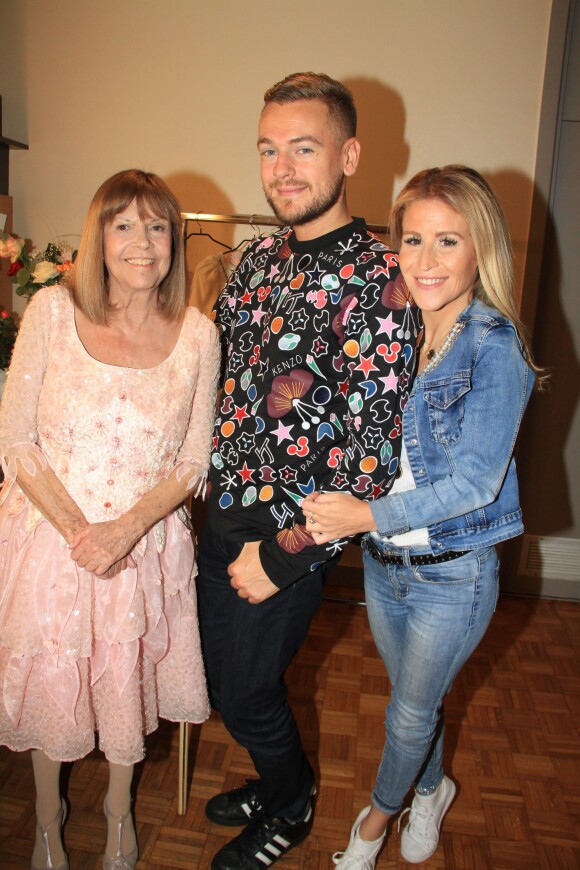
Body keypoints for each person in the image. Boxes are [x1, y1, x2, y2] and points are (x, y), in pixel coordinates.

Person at [197, 71, 420, 869]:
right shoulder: (254, 261)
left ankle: (291, 804)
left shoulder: (383, 280)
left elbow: (371, 459)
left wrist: (283, 553)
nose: (282, 168)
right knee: (223, 688)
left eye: (303, 147)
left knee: (253, 697)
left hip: (286, 538)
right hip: (216, 522)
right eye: (268, 149)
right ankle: (276, 780)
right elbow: (214, 387)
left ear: (349, 154)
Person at [302, 165, 542, 867]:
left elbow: (472, 482)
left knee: (406, 713)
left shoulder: (494, 348)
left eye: (447, 242)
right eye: (413, 240)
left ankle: (373, 824)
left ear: (480, 250)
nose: (426, 262)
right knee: (419, 700)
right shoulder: (393, 331)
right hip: (385, 567)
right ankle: (432, 789)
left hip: (453, 574)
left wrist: (365, 515)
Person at [0, 169, 220, 870]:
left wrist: (124, 530)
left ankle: (120, 813)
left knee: (124, 681)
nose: (142, 242)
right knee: (51, 680)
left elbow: (193, 461)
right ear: (97, 235)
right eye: (123, 224)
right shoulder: (51, 314)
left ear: (174, 240)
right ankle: (46, 821)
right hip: (47, 540)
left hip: (145, 547)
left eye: (157, 226)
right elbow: (16, 442)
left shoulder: (197, 335)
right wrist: (77, 533)